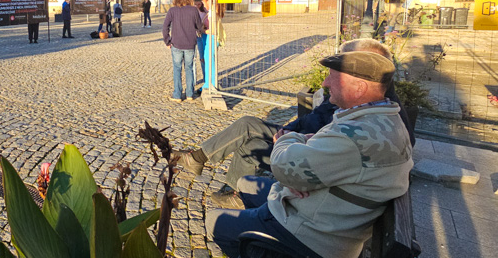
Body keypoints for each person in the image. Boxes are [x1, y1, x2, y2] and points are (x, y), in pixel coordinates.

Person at [205, 50, 413, 258]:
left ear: (359, 87)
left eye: (333, 77)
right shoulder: (382, 120)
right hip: (326, 212)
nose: (325, 82)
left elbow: (284, 166)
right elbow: (304, 167)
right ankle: (260, 234)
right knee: (245, 183)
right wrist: (298, 177)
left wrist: (287, 141)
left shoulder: (356, 136)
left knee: (214, 221)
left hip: (314, 235)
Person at [175, 38, 415, 209]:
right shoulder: (365, 98)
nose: (327, 81)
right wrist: (289, 131)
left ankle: (208, 169)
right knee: (248, 126)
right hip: (299, 138)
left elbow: (332, 149)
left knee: (249, 137)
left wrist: (291, 138)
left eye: (341, 69)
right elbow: (315, 119)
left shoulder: (374, 107)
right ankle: (209, 168)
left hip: (303, 148)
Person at [163, 0, 204, 102]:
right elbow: (199, 26)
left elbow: (165, 27)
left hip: (176, 43)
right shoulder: (193, 10)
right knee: (189, 68)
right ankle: (190, 94)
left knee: (177, 69)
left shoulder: (172, 10)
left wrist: (167, 41)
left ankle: (177, 95)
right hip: (190, 43)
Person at [194, 0, 209, 83]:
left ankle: (205, 77)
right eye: (196, 4)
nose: (197, 6)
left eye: (199, 4)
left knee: (202, 57)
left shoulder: (205, 11)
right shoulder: (191, 11)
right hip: (193, 34)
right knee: (192, 58)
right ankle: (193, 79)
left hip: (201, 35)